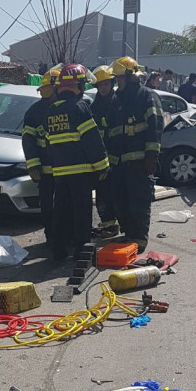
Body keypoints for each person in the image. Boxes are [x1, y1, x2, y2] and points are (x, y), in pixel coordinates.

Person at [43, 63, 109, 261]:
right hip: (81, 173)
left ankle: (59, 250)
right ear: (78, 86)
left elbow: (48, 143)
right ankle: (82, 249)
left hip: (60, 173)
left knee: (61, 211)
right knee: (82, 211)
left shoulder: (51, 112)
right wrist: (102, 165)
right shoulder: (80, 107)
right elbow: (92, 140)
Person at [106, 56, 163, 251]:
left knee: (138, 202)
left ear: (131, 77)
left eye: (119, 78)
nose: (117, 82)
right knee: (120, 201)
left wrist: (151, 156)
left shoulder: (147, 96)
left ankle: (139, 241)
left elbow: (155, 128)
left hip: (140, 163)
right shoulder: (116, 100)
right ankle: (129, 236)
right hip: (119, 164)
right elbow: (112, 132)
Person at [21, 69, 59, 244]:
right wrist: (33, 165)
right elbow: (28, 141)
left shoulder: (66, 107)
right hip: (46, 169)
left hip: (65, 169)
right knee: (47, 205)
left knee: (65, 204)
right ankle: (51, 235)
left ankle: (63, 235)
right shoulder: (35, 112)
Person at [89, 65, 120, 238]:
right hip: (99, 159)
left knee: (115, 193)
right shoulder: (94, 107)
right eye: (100, 85)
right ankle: (109, 226)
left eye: (106, 84)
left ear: (111, 84)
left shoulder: (117, 104)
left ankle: (115, 224)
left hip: (116, 158)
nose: (103, 88)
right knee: (102, 194)